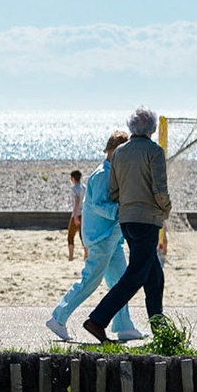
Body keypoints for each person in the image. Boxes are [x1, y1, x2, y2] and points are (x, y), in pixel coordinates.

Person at [82, 107, 172, 342]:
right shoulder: (155, 151)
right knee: (136, 275)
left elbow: (113, 190)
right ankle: (98, 319)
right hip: (148, 219)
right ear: (152, 128)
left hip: (127, 219)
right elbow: (160, 189)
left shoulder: (120, 152)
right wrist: (166, 209)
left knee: (154, 277)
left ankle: (161, 331)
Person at [48, 132, 143, 343]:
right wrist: (119, 209)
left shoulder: (112, 172)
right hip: (101, 237)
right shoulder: (102, 174)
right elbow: (98, 205)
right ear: (115, 151)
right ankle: (58, 317)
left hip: (112, 238)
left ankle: (124, 326)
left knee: (119, 283)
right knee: (90, 281)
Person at [68, 169, 86, 261]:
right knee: (83, 235)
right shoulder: (84, 187)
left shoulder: (75, 188)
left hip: (77, 213)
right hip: (84, 213)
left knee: (70, 235)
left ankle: (71, 256)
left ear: (73, 178)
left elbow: (77, 201)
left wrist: (75, 216)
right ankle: (86, 255)